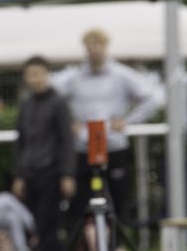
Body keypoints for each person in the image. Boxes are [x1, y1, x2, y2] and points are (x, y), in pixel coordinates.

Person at [55, 29, 163, 240]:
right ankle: (82, 250)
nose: (94, 50)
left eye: (98, 45)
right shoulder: (74, 78)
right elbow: (54, 100)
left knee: (117, 199)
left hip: (113, 146)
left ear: (106, 47)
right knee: (79, 202)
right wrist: (68, 125)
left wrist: (128, 121)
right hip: (83, 148)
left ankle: (117, 247)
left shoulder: (121, 74)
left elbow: (152, 99)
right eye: (90, 45)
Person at [14, 56, 81, 251]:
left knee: (47, 230)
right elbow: (21, 142)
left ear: (47, 75)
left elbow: (66, 141)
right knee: (45, 231)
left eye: (38, 74)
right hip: (31, 174)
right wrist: (19, 175)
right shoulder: (26, 105)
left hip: (52, 174)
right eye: (30, 75)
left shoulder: (58, 103)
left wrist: (67, 174)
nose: (35, 79)